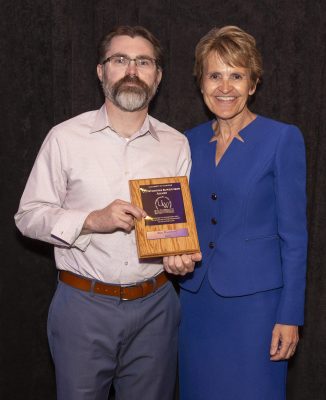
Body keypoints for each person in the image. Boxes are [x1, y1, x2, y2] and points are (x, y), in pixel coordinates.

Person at [15, 25, 200, 400]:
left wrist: (178, 257)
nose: (132, 70)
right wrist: (90, 221)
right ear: (102, 71)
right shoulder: (65, 137)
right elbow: (28, 215)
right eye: (120, 60)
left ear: (158, 76)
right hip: (83, 307)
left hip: (157, 308)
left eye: (143, 62)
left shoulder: (176, 144)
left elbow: (177, 228)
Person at [177, 26, 307, 400]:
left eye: (237, 75)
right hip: (196, 302)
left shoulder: (282, 138)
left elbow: (295, 237)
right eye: (215, 75)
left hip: (258, 309)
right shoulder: (187, 141)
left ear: (253, 84)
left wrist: (290, 315)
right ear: (201, 82)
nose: (225, 86)